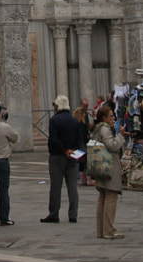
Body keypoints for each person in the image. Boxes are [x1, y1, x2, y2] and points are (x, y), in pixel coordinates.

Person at [43, 94, 86, 224]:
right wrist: (73, 151)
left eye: (55, 105)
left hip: (57, 156)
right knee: (72, 186)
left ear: (58, 106)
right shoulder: (74, 120)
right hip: (72, 156)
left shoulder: (54, 120)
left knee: (56, 186)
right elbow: (80, 140)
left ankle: (54, 213)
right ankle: (73, 214)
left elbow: (54, 139)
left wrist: (64, 150)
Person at [88, 103, 123, 238]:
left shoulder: (97, 128)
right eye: (111, 116)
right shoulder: (105, 129)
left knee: (102, 197)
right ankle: (108, 230)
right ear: (104, 117)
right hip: (109, 166)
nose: (113, 118)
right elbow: (112, 146)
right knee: (111, 196)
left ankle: (101, 230)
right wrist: (120, 136)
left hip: (99, 166)